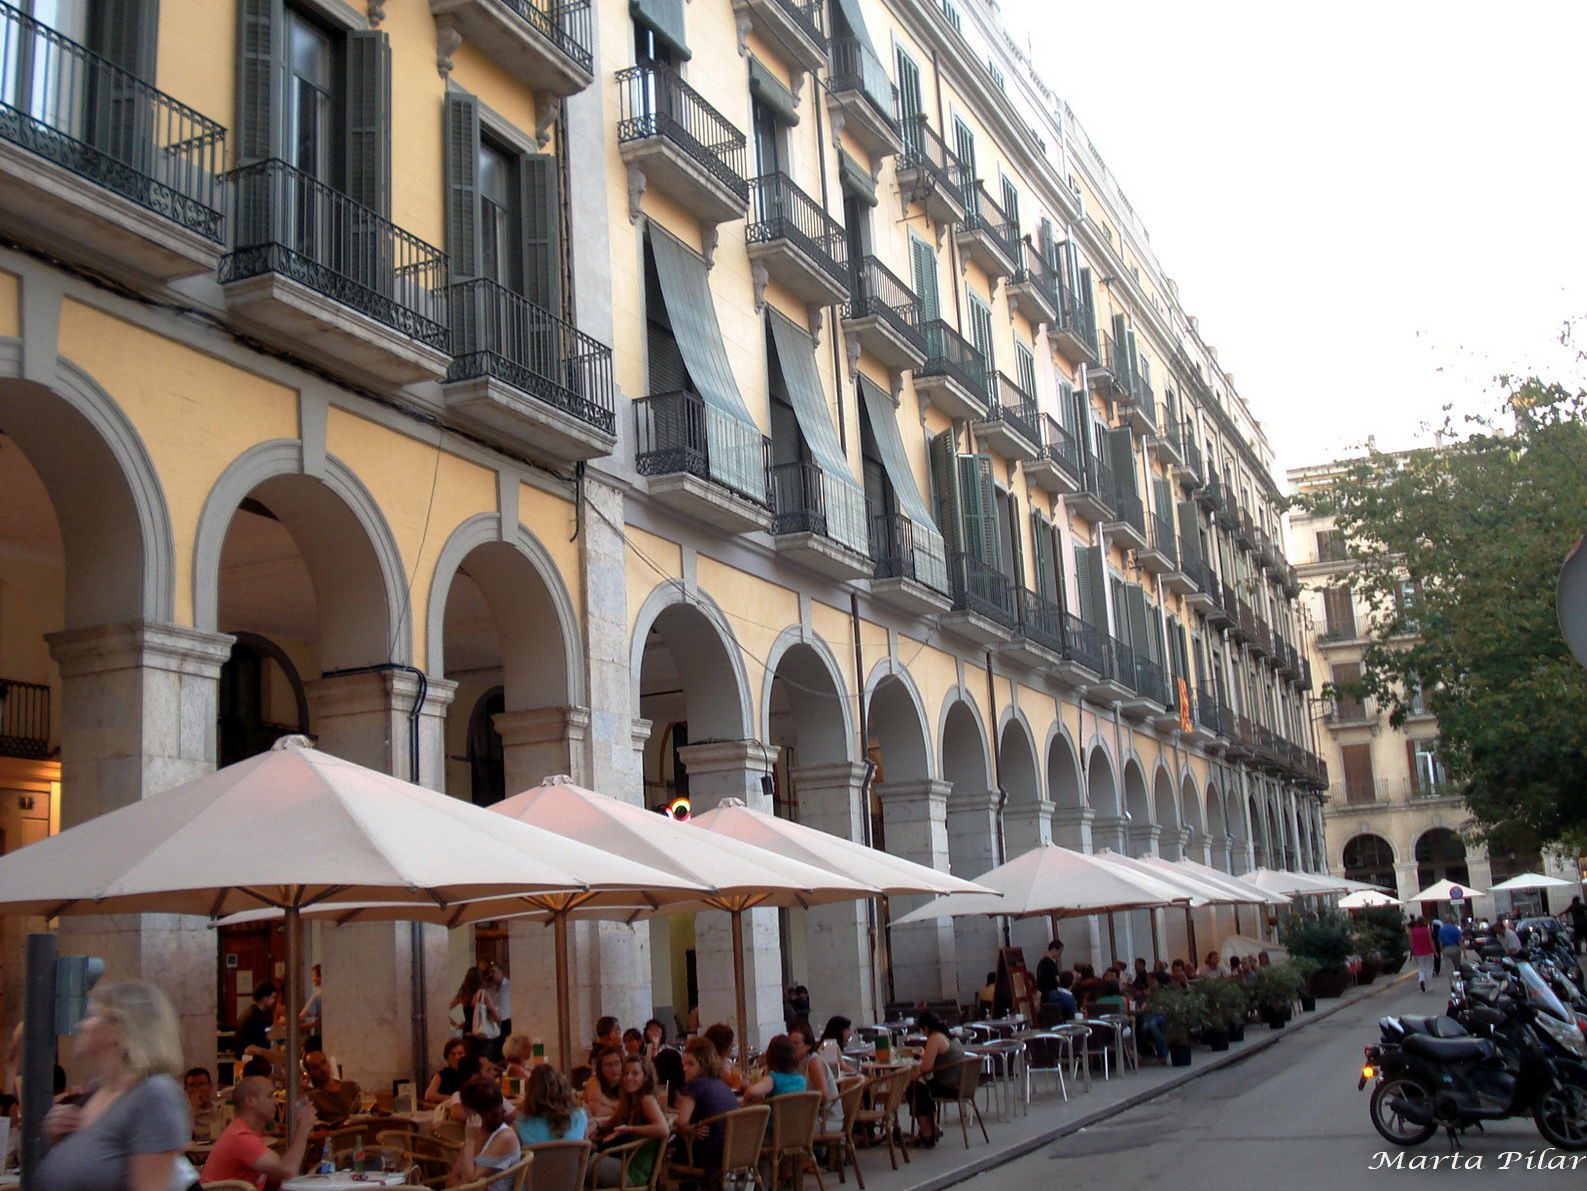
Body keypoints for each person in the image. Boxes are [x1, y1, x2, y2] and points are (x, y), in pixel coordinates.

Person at [34, 980, 194, 1191]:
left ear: (119, 1029)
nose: (81, 1025)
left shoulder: (153, 1095)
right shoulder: (95, 1093)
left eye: (92, 1015)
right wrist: (58, 1140)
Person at [200, 1075, 317, 1189]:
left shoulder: (243, 1131)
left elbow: (273, 1177)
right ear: (250, 1101)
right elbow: (287, 1170)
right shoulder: (241, 1137)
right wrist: (304, 1128)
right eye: (270, 1096)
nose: (276, 1102)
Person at [590, 1056, 668, 1186]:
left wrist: (629, 1129)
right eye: (626, 1073)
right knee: (577, 1162)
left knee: (576, 1164)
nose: (628, 1078)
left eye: (635, 1073)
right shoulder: (630, 1101)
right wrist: (596, 1123)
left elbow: (663, 1129)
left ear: (646, 1076)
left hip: (632, 1171)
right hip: (623, 1161)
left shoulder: (647, 1100)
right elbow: (612, 1123)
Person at [673, 1038, 739, 1173]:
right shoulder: (720, 1084)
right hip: (733, 1152)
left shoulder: (695, 1085)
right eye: (684, 1064)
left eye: (690, 1064)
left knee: (674, 1150)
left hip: (709, 1157)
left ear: (703, 1065)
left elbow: (681, 1122)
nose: (685, 1069)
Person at [450, 1076, 522, 1191]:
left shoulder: (504, 1137)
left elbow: (471, 1182)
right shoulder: (479, 1131)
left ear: (476, 1113)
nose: (465, 1115)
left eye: (466, 1111)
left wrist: (469, 1140)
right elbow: (453, 1177)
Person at [906, 1010, 965, 1148]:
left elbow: (926, 1067)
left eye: (922, 1030)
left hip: (948, 1086)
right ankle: (932, 1126)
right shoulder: (950, 1037)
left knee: (914, 1088)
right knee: (922, 1086)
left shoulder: (935, 1038)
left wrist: (918, 1064)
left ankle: (926, 1128)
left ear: (926, 1028)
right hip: (960, 1085)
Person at [515, 1064, 588, 1145]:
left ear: (529, 1091)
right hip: (573, 1157)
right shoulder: (580, 1115)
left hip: (538, 1158)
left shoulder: (521, 1121)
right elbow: (586, 1150)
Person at [302, 1049, 362, 1126]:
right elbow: (295, 1109)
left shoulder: (351, 1086)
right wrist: (302, 1089)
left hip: (360, 1129)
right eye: (316, 1067)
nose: (323, 1069)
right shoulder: (312, 1096)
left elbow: (367, 1109)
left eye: (324, 1063)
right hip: (337, 1135)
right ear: (310, 1073)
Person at [743, 1035, 804, 1103]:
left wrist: (743, 1103)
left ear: (771, 1056)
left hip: (778, 1113)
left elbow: (752, 1092)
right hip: (798, 1113)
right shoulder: (801, 1080)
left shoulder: (773, 1078)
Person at [233, 982, 279, 1066]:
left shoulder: (248, 1012)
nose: (274, 1001)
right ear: (264, 997)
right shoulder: (256, 1016)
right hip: (252, 1061)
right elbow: (261, 1043)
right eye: (272, 997)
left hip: (243, 1059)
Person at [583, 1046, 625, 1123]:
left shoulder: (627, 1081)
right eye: (609, 1065)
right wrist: (622, 1109)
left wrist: (605, 1101)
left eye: (617, 1064)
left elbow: (633, 1109)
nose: (614, 1069)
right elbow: (598, 1112)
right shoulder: (594, 1081)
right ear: (601, 1068)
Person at [426, 1038, 470, 1106]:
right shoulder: (441, 1075)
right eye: (453, 1054)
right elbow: (429, 1095)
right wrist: (454, 1099)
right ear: (447, 1057)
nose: (457, 1057)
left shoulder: (472, 1074)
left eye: (460, 1053)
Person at [702, 1023, 744, 1092]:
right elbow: (738, 1083)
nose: (733, 1044)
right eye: (731, 1042)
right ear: (724, 1046)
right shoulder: (716, 1067)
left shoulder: (725, 1060)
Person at [485, 963, 513, 1056]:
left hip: (506, 1022)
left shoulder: (509, 986)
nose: (492, 975)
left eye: (493, 971)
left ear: (501, 972)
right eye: (490, 973)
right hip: (493, 1025)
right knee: (495, 1051)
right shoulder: (489, 989)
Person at [182, 1067, 217, 1142]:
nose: (197, 1089)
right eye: (192, 1085)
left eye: (202, 1084)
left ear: (210, 1087)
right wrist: (193, 1108)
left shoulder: (221, 1109)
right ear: (186, 1089)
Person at [1408, 916, 1436, 992]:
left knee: (1421, 968)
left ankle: (1421, 979)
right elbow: (1431, 941)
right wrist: (1435, 952)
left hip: (1418, 953)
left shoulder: (1413, 931)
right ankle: (1430, 987)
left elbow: (1411, 942)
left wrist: (1413, 952)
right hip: (1428, 951)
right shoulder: (1427, 930)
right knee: (1429, 969)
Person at [300, 963, 323, 1051]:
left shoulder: (317, 996)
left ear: (320, 977)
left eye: (313, 975)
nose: (312, 978)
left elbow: (302, 1016)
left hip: (321, 1034)